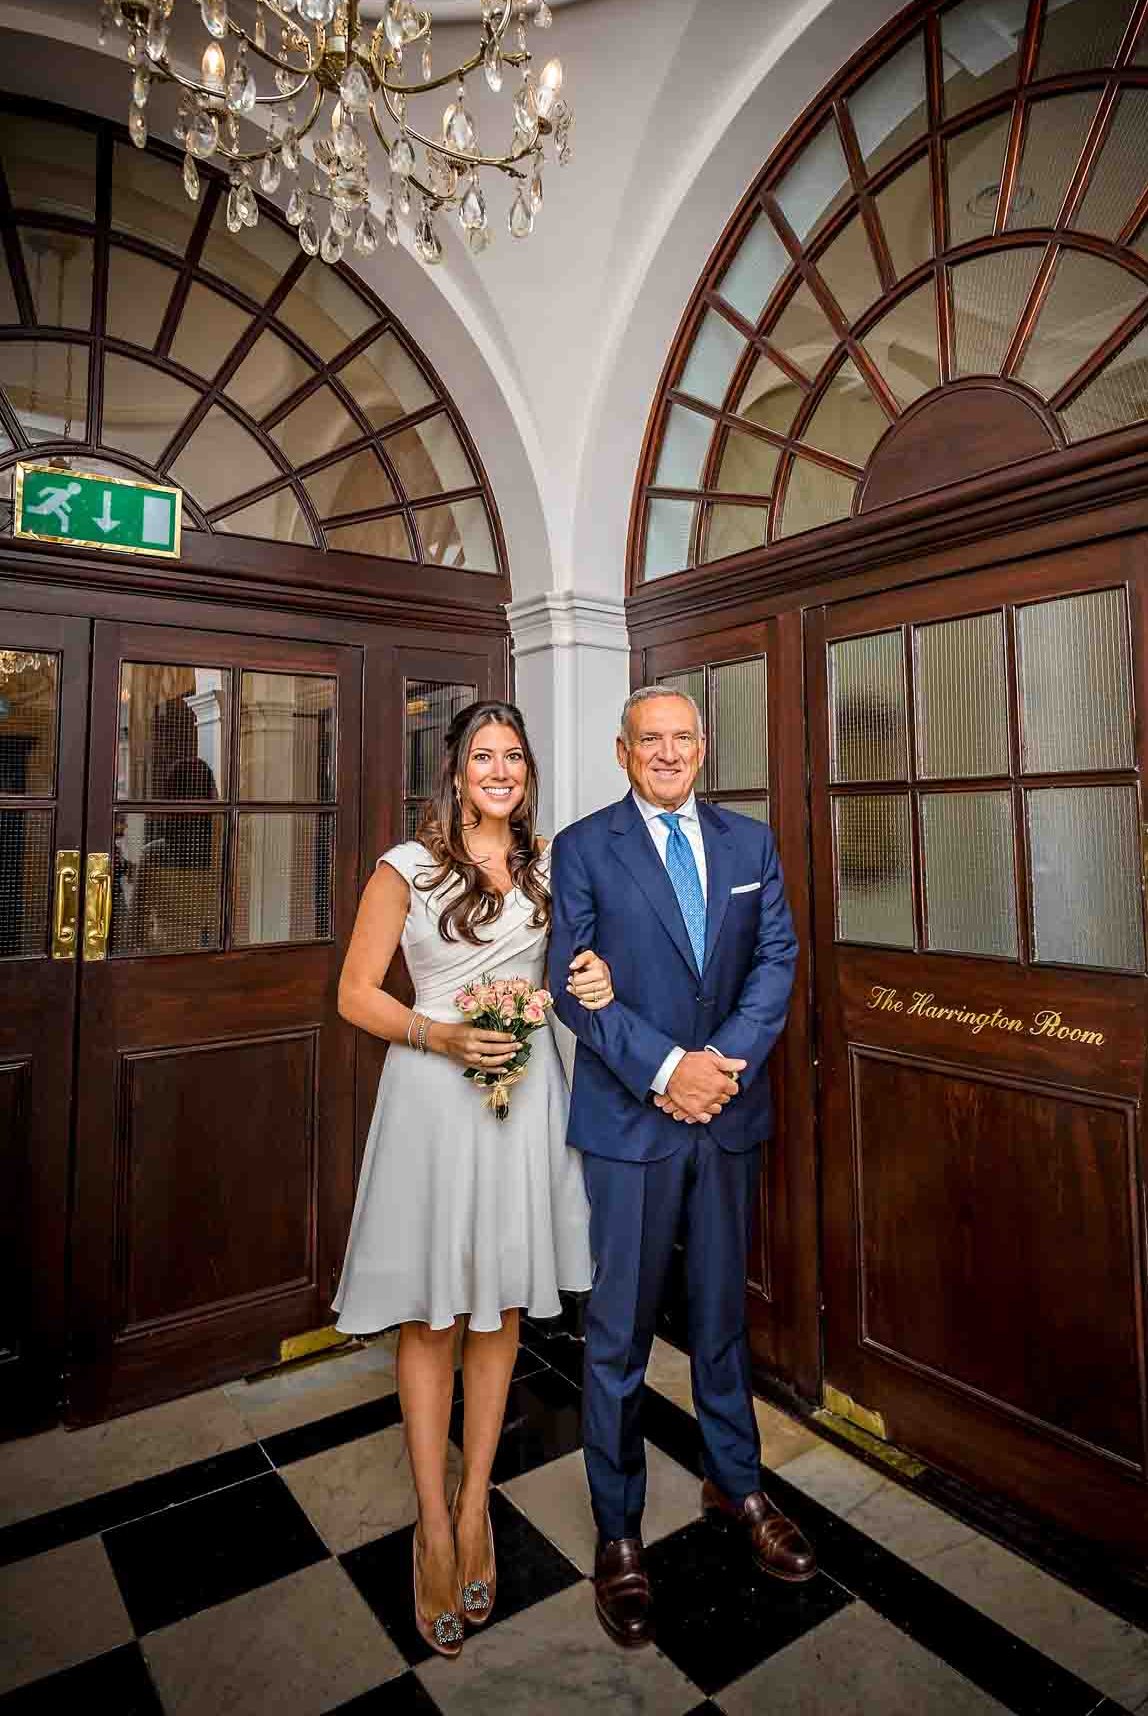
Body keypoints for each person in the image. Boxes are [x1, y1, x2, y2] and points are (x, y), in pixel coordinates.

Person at [333, 699, 613, 1659]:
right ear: (452, 772)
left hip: (521, 1100)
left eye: (515, 758)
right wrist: (442, 1033)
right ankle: (432, 1523)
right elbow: (355, 994)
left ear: (526, 775)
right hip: (433, 1102)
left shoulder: (547, 869)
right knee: (434, 1315)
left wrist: (588, 988)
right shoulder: (403, 870)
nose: (501, 770)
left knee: (498, 1312)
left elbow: (572, 971)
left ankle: (479, 1499)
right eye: (483, 756)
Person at [549, 684, 816, 1649]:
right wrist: (667, 1070)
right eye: (649, 741)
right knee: (617, 1334)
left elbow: (776, 962)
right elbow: (570, 989)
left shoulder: (750, 846)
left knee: (719, 1321)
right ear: (622, 752)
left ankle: (735, 1486)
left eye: (683, 739)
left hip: (727, 1116)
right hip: (632, 1123)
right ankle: (618, 1532)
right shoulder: (583, 847)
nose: (668, 754)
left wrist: (718, 1069)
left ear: (705, 747)